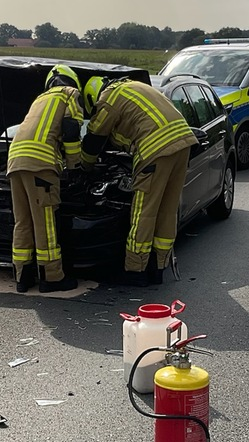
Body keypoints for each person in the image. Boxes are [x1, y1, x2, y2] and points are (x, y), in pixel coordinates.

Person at [80, 76, 195, 287]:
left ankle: (136, 270)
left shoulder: (109, 97)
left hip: (155, 147)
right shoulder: (134, 87)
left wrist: (84, 167)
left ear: (93, 96)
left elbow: (94, 137)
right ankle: (159, 267)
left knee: (144, 211)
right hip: (183, 142)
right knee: (167, 209)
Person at [7, 64, 83, 293]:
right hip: (40, 164)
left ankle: (22, 277)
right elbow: (70, 129)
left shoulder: (39, 100)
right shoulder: (70, 94)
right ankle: (52, 278)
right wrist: (75, 166)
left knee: (23, 221)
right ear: (73, 82)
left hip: (15, 161)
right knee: (46, 222)